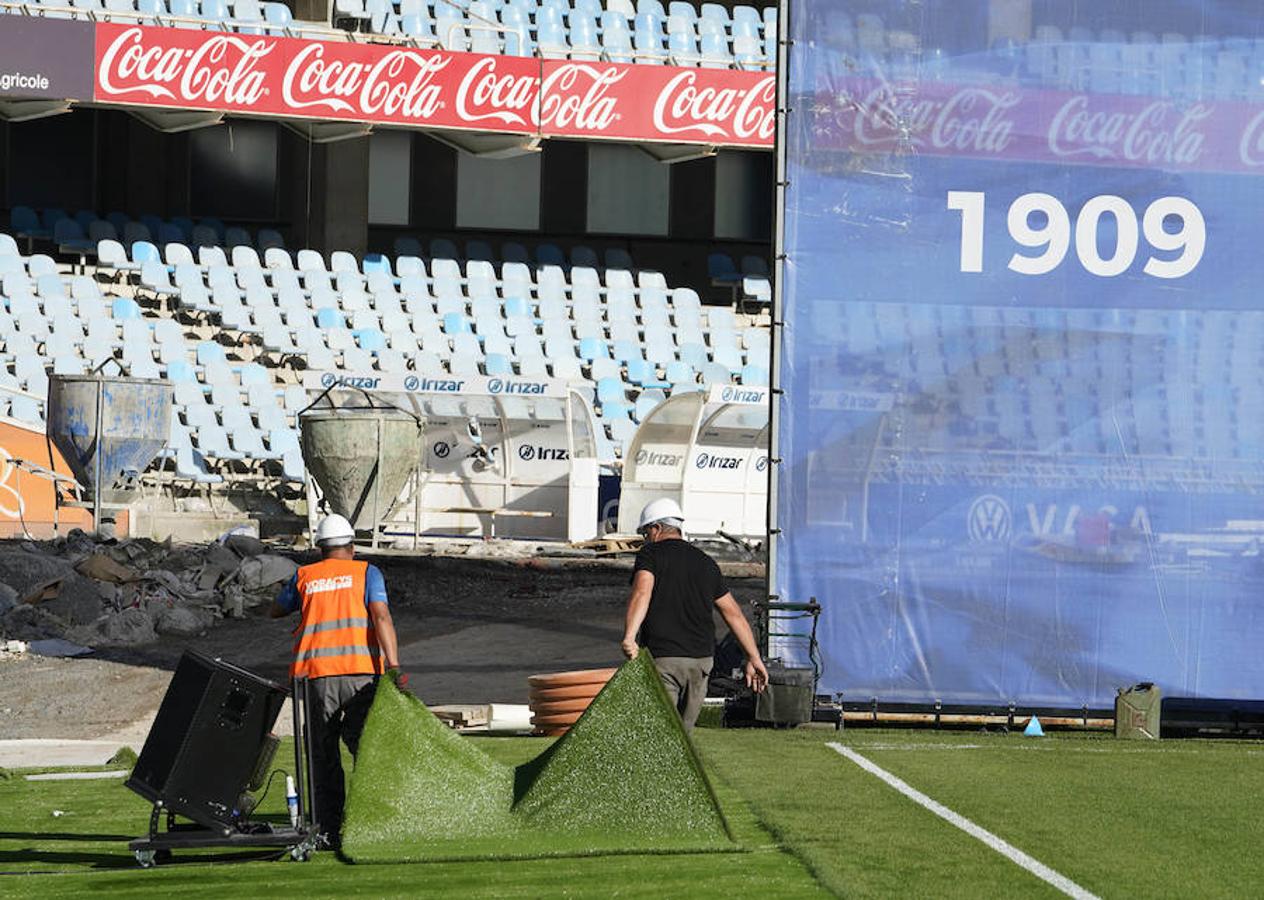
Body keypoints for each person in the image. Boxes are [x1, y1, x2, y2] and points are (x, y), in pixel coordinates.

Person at [269, 513, 403, 845]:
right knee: (366, 747)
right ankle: (372, 820)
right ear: (352, 547)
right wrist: (394, 665)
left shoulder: (305, 576)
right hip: (362, 673)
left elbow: (276, 609)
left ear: (320, 549)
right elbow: (381, 615)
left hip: (316, 677)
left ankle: (328, 828)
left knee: (322, 750)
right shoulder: (367, 572)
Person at [621, 498, 769, 731]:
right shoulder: (706, 563)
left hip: (663, 658)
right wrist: (754, 657)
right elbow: (734, 614)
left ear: (656, 528)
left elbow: (642, 592)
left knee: (659, 733)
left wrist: (630, 637)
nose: (645, 539)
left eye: (645, 533)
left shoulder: (650, 554)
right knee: (683, 736)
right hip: (701, 663)